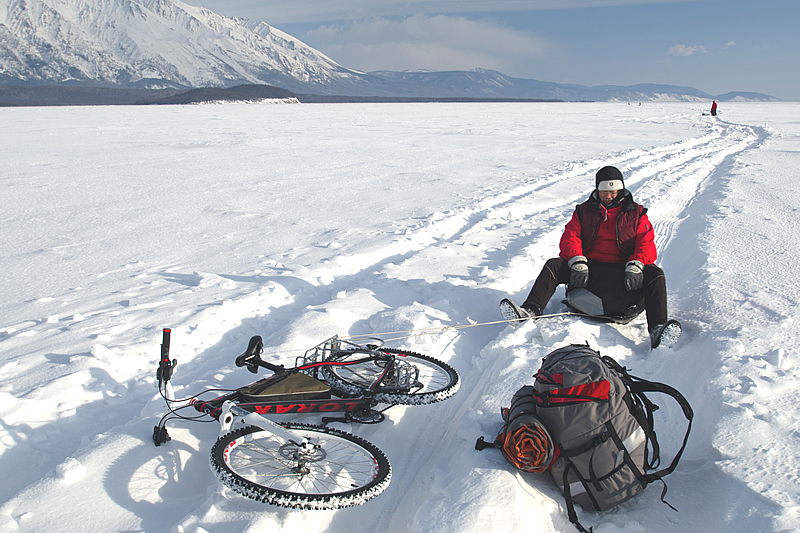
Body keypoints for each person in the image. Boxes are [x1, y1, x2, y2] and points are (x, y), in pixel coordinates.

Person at [500, 166, 680, 348]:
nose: (608, 196)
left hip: (623, 272)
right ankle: (530, 311)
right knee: (554, 265)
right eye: (604, 192)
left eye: (612, 192)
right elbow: (570, 237)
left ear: (621, 190)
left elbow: (646, 243)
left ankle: (657, 330)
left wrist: (637, 264)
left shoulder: (637, 214)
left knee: (655, 273)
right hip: (589, 269)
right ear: (597, 190)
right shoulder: (583, 211)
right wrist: (576, 260)